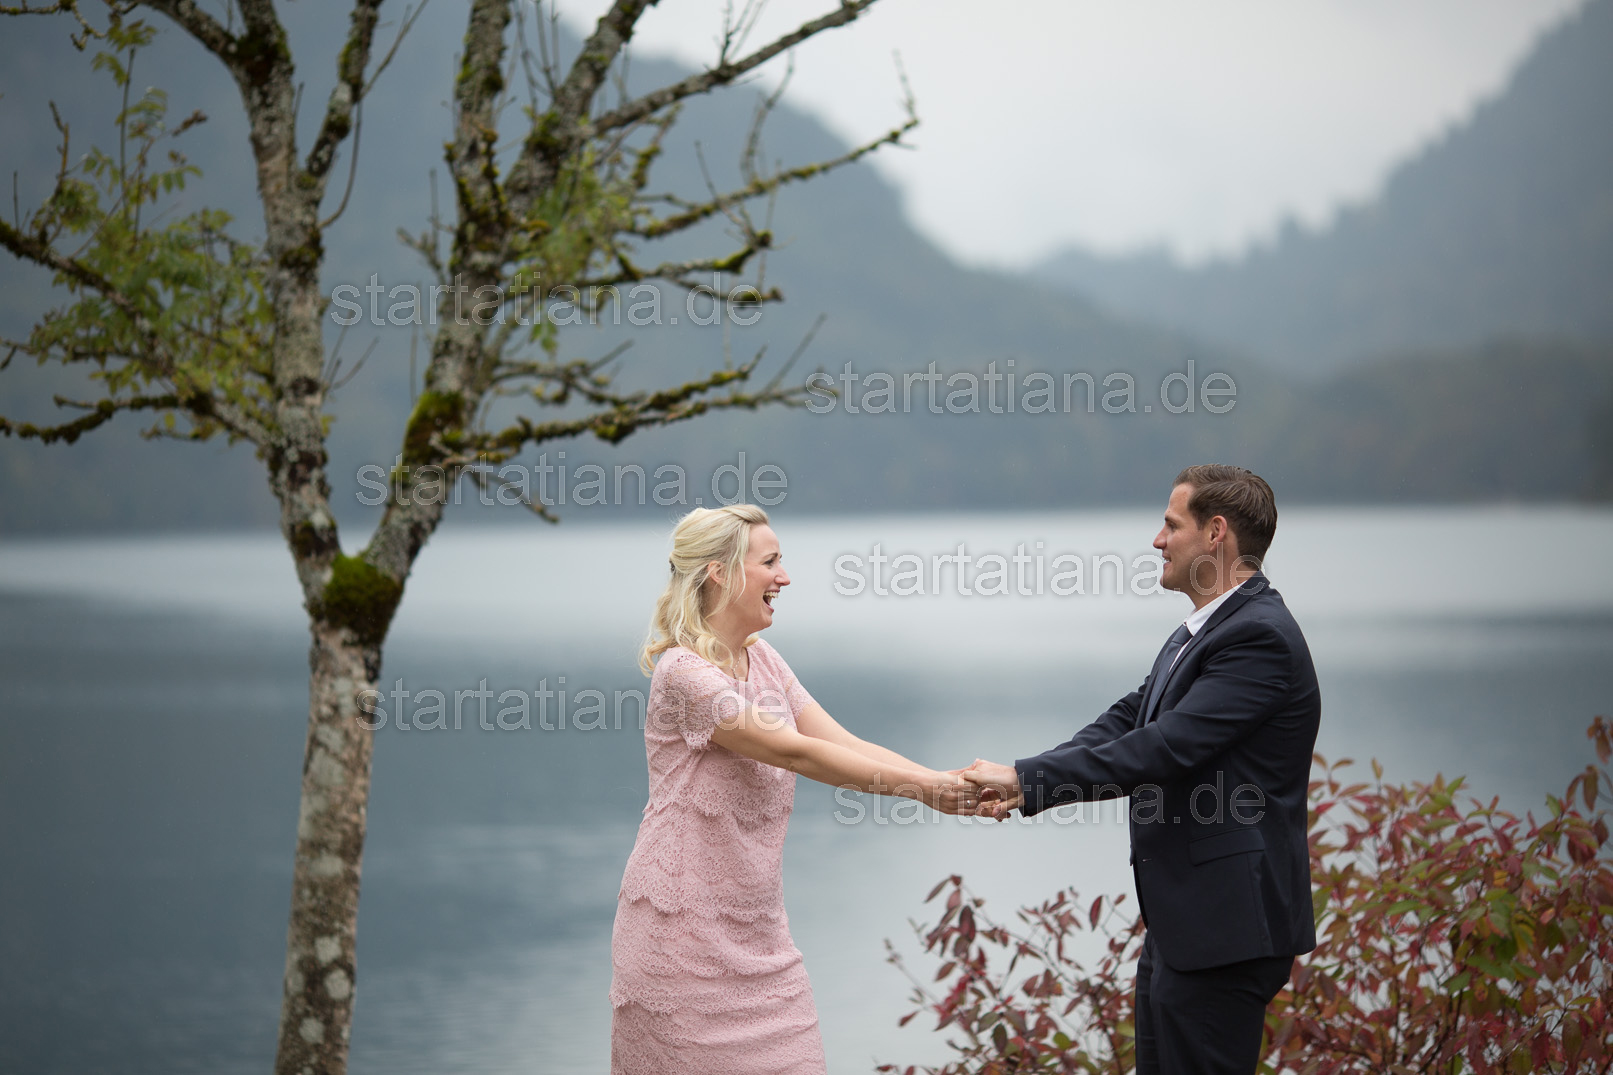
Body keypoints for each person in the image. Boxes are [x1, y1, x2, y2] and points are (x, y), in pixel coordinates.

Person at [964, 465, 1321, 1075]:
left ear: (1216, 532)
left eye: (1171, 525)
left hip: (1226, 931)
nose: (1158, 540)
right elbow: (1131, 718)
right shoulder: (1207, 629)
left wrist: (1026, 781)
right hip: (1187, 928)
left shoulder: (1257, 638)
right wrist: (1027, 780)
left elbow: (1163, 748)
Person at [609, 503, 976, 1075]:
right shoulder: (683, 673)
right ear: (719, 573)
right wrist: (925, 791)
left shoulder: (763, 660)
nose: (784, 577)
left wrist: (945, 780)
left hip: (762, 943)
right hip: (678, 941)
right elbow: (794, 751)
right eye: (770, 562)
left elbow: (843, 742)